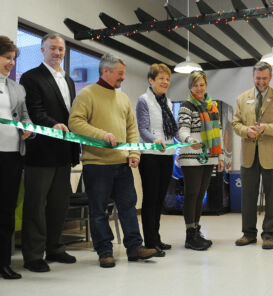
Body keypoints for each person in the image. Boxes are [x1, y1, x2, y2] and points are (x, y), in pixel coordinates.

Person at [68, 53, 158, 268]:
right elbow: (75, 122)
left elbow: (132, 129)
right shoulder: (87, 94)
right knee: (99, 210)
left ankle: (135, 248)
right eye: (120, 73)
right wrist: (102, 135)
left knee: (128, 207)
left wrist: (134, 154)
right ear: (105, 71)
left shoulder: (123, 98)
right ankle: (105, 251)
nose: (123, 77)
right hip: (97, 164)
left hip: (122, 164)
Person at [20, 33, 80, 272]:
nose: (57, 53)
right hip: (40, 153)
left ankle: (55, 248)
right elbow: (33, 110)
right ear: (42, 50)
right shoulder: (31, 77)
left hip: (64, 153)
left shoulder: (70, 81)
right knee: (36, 205)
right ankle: (33, 255)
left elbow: (72, 116)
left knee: (59, 204)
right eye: (53, 49)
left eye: (61, 49)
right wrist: (52, 124)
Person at [232, 61, 273, 250]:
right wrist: (245, 131)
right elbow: (235, 124)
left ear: (271, 77)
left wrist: (265, 128)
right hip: (249, 155)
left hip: (272, 156)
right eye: (258, 78)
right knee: (248, 197)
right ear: (253, 77)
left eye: (265, 78)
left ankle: (269, 234)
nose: (261, 82)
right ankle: (248, 234)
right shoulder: (242, 98)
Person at [178, 70, 224, 251]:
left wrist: (220, 157)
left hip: (210, 156)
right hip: (191, 156)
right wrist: (190, 140)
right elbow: (182, 130)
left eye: (202, 84)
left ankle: (196, 230)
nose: (199, 88)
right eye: (195, 85)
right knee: (192, 194)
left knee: (200, 195)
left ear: (206, 85)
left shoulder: (212, 106)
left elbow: (218, 133)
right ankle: (190, 235)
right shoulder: (186, 106)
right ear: (190, 87)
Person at [136, 64, 177, 256]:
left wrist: (186, 140)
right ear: (151, 80)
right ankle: (150, 242)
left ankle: (157, 238)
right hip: (150, 156)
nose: (165, 82)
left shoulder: (168, 102)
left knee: (160, 199)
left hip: (167, 154)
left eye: (167, 79)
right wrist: (155, 141)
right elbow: (143, 129)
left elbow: (173, 129)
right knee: (150, 200)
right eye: (161, 78)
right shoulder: (143, 100)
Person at [0, 36, 32, 279]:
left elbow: (25, 117)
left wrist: (28, 129)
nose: (10, 63)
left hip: (12, 156)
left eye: (13, 59)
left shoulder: (17, 88)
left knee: (7, 211)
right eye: (6, 57)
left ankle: (3, 262)